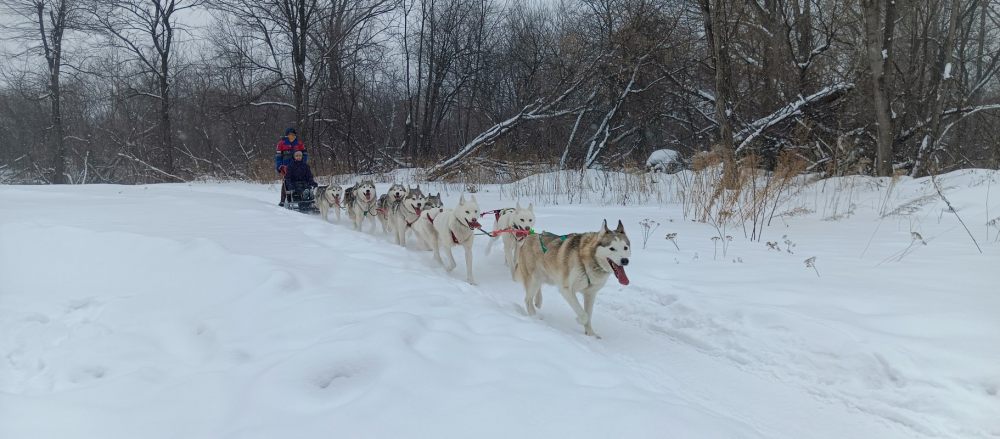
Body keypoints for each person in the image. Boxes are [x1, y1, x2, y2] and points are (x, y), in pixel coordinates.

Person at [275, 127, 307, 206]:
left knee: (301, 181)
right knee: (286, 182)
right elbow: (278, 157)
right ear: (287, 135)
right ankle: (283, 200)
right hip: (286, 166)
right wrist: (279, 166)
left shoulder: (299, 144)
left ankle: (302, 199)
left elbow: (305, 155)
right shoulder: (281, 144)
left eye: (293, 135)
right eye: (290, 135)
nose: (291, 136)